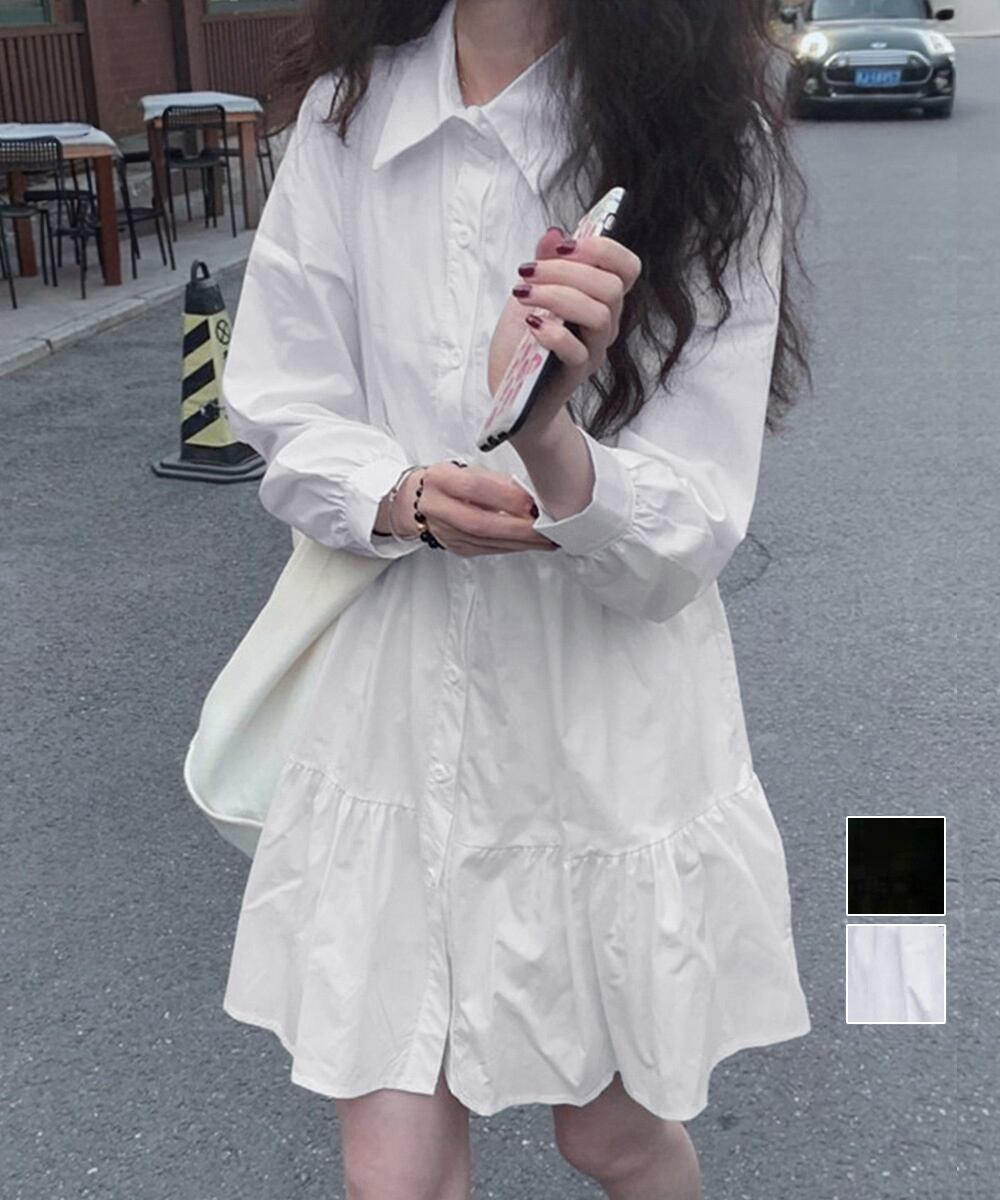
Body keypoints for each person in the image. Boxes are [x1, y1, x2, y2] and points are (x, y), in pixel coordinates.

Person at [219, 1, 813, 1197]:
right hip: (397, 709)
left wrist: (547, 436)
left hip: (599, 727)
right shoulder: (349, 113)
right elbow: (283, 398)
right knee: (394, 1175)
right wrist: (398, 495)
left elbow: (690, 529)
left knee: (612, 1139)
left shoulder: (704, 131)